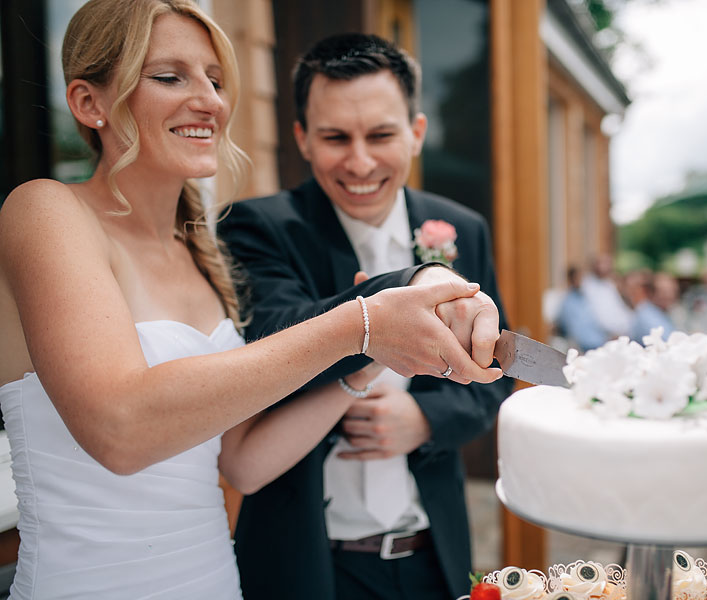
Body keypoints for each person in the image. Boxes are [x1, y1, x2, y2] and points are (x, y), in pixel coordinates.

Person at [0, 3, 502, 598]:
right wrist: (361, 324)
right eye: (170, 76)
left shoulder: (205, 258)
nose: (210, 100)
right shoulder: (46, 211)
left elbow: (244, 463)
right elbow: (121, 431)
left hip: (214, 578)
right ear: (89, 103)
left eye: (214, 79)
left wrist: (370, 359)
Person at [217, 34, 512, 600]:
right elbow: (276, 330)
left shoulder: (461, 228)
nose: (359, 162)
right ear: (303, 138)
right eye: (335, 137)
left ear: (416, 133)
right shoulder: (258, 228)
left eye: (380, 135)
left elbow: (492, 380)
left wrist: (424, 422)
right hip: (309, 560)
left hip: (432, 550)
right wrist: (401, 292)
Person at [556, 265, 608, 351]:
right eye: (578, 277)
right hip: (584, 347)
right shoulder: (567, 302)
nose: (582, 280)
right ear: (571, 279)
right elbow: (572, 330)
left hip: (599, 341)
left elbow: (595, 321)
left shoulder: (585, 297)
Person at [581, 254, 633, 338]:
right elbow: (601, 318)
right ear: (594, 265)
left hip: (624, 329)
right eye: (604, 263)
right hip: (605, 335)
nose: (608, 267)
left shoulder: (609, 284)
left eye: (609, 263)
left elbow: (619, 308)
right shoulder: (588, 286)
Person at [624, 270, 676, 342]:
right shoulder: (646, 314)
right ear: (651, 293)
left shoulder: (661, 312)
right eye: (664, 292)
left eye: (672, 291)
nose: (669, 295)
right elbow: (667, 341)